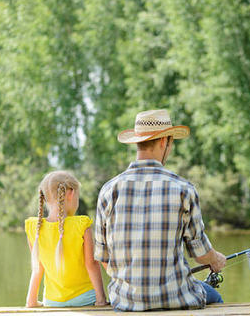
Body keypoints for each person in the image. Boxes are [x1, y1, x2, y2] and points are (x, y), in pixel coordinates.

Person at [95, 109, 226, 311]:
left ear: (137, 142)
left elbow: (104, 257)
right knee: (215, 298)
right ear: (164, 141)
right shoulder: (184, 189)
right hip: (176, 299)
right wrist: (216, 259)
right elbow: (201, 255)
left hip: (126, 302)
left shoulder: (108, 191)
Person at [25, 171, 107, 307]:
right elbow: (91, 265)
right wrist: (101, 300)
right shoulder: (81, 225)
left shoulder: (34, 228)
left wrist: (31, 302)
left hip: (52, 301)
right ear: (71, 193)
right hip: (85, 299)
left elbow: (37, 268)